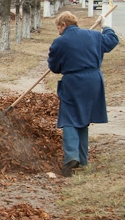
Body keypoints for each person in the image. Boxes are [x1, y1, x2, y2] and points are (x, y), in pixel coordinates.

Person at [47, 11, 119, 178]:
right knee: (83, 118)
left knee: (70, 118)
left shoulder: (60, 42)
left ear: (63, 25)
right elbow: (112, 41)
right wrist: (105, 26)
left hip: (73, 82)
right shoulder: (94, 35)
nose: (58, 31)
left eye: (58, 28)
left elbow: (54, 67)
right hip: (94, 81)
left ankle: (71, 157)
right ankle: (83, 160)